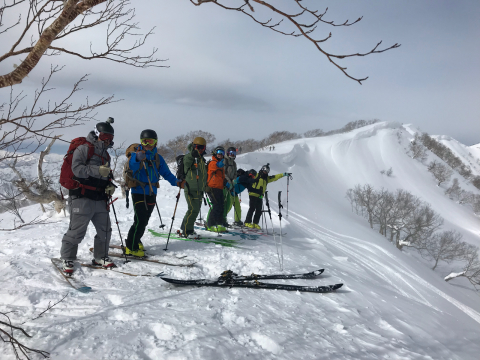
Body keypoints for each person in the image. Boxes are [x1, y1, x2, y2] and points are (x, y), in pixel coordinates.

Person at [60, 120, 117, 273]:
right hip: (81, 196)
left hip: (99, 198)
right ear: (97, 134)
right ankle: (68, 258)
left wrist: (109, 185)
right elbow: (77, 169)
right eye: (105, 136)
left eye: (110, 137)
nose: (107, 140)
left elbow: (105, 175)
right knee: (77, 230)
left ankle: (100, 256)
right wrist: (98, 170)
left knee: (105, 230)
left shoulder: (106, 155)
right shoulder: (84, 148)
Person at [125, 129, 185, 257]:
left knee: (144, 220)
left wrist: (177, 182)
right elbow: (132, 166)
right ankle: (131, 246)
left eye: (150, 141)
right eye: (144, 141)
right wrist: (137, 157)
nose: (147, 144)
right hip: (138, 191)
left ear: (155, 143)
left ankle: (136, 239)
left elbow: (166, 174)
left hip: (152, 192)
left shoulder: (158, 158)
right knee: (140, 220)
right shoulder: (137, 154)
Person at [244, 163, 291, 229]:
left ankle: (255, 223)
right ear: (262, 169)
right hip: (253, 194)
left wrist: (283, 174)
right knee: (252, 208)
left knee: (259, 210)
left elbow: (275, 177)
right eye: (265, 170)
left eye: (267, 171)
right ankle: (247, 222)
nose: (266, 172)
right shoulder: (257, 175)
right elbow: (249, 176)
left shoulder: (266, 179)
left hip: (260, 196)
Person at [180, 136, 208, 239]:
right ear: (193, 146)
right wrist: (192, 155)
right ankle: (187, 231)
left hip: (199, 189)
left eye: (202, 148)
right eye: (198, 147)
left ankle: (186, 228)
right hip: (191, 188)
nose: (200, 149)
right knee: (193, 209)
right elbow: (186, 162)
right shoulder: (189, 156)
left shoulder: (201, 159)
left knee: (194, 210)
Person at [206, 146, 226, 232]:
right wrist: (220, 164)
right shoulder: (212, 163)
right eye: (219, 152)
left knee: (221, 206)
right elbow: (215, 166)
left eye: (222, 153)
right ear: (215, 153)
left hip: (220, 188)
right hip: (212, 187)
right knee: (216, 206)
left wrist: (226, 183)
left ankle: (219, 223)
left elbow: (222, 177)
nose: (220, 154)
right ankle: (210, 224)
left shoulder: (221, 165)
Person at [222, 146, 237, 227]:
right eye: (231, 153)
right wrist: (229, 181)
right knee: (223, 203)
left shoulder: (234, 163)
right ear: (228, 153)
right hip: (224, 184)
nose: (232, 155)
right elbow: (223, 173)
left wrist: (234, 180)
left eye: (234, 153)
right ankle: (220, 219)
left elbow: (235, 173)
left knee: (228, 203)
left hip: (230, 185)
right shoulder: (225, 161)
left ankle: (224, 219)